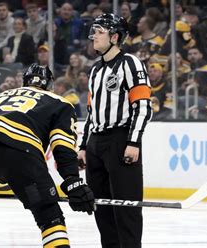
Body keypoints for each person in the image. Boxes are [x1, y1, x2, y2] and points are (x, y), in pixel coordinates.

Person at [0, 64, 95, 247]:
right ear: (49, 85)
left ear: (25, 82)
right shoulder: (60, 102)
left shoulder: (0, 98)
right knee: (49, 216)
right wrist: (72, 180)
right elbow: (62, 145)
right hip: (21, 153)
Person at [78, 14, 152, 248]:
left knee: (126, 210)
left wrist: (134, 142)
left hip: (120, 141)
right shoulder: (95, 70)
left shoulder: (130, 63)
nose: (94, 37)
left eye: (99, 32)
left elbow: (142, 106)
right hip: (96, 145)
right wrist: (83, 146)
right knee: (102, 210)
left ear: (115, 36)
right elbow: (92, 113)